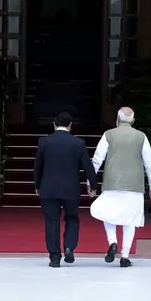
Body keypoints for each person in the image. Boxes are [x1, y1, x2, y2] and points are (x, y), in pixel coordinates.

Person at [88, 107, 151, 268]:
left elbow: (97, 160)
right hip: (134, 185)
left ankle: (112, 242)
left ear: (117, 120)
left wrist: (90, 182)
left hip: (112, 182)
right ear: (133, 121)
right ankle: (125, 256)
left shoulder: (109, 135)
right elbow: (149, 164)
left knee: (107, 213)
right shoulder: (141, 137)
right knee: (130, 220)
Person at [34, 112, 98, 268]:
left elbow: (38, 166)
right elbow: (87, 166)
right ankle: (69, 247)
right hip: (71, 189)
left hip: (49, 188)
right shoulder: (78, 143)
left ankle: (54, 257)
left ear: (54, 125)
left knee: (51, 221)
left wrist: (37, 185)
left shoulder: (44, 141)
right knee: (72, 218)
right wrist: (93, 185)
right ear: (70, 126)